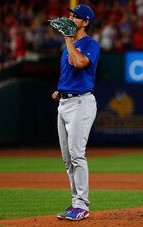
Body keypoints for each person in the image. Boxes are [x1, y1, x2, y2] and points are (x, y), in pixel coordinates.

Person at [51, 4, 100, 221]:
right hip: (65, 102)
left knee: (77, 154)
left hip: (81, 102)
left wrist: (68, 38)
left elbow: (80, 63)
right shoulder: (68, 45)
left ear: (86, 22)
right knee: (67, 158)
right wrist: (59, 90)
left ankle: (82, 205)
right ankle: (75, 203)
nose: (70, 18)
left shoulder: (90, 43)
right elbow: (69, 72)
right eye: (70, 14)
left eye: (75, 16)